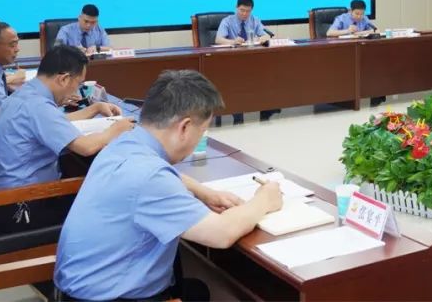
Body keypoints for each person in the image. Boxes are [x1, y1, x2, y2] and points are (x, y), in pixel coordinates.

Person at [53, 70, 283, 302]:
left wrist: (204, 192)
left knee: (197, 290)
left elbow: (154, 175)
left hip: (79, 290)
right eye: (202, 131)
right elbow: (220, 234)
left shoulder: (124, 142)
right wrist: (264, 200)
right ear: (184, 127)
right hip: (110, 298)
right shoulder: (151, 177)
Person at [0, 45, 134, 233]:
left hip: (3, 199)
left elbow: (55, 122)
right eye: (78, 84)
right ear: (64, 79)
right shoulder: (38, 105)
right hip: (20, 207)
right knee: (110, 202)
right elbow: (86, 147)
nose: (77, 91)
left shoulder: (26, 94)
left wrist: (95, 108)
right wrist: (114, 130)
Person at [214, 0, 276, 124]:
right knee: (238, 83)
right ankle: (238, 116)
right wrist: (232, 41)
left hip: (251, 61)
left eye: (248, 11)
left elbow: (266, 34)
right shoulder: (227, 21)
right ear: (236, 8)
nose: (244, 14)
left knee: (268, 77)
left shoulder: (254, 20)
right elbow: (218, 39)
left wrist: (262, 38)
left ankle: (266, 112)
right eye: (242, 10)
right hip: (232, 62)